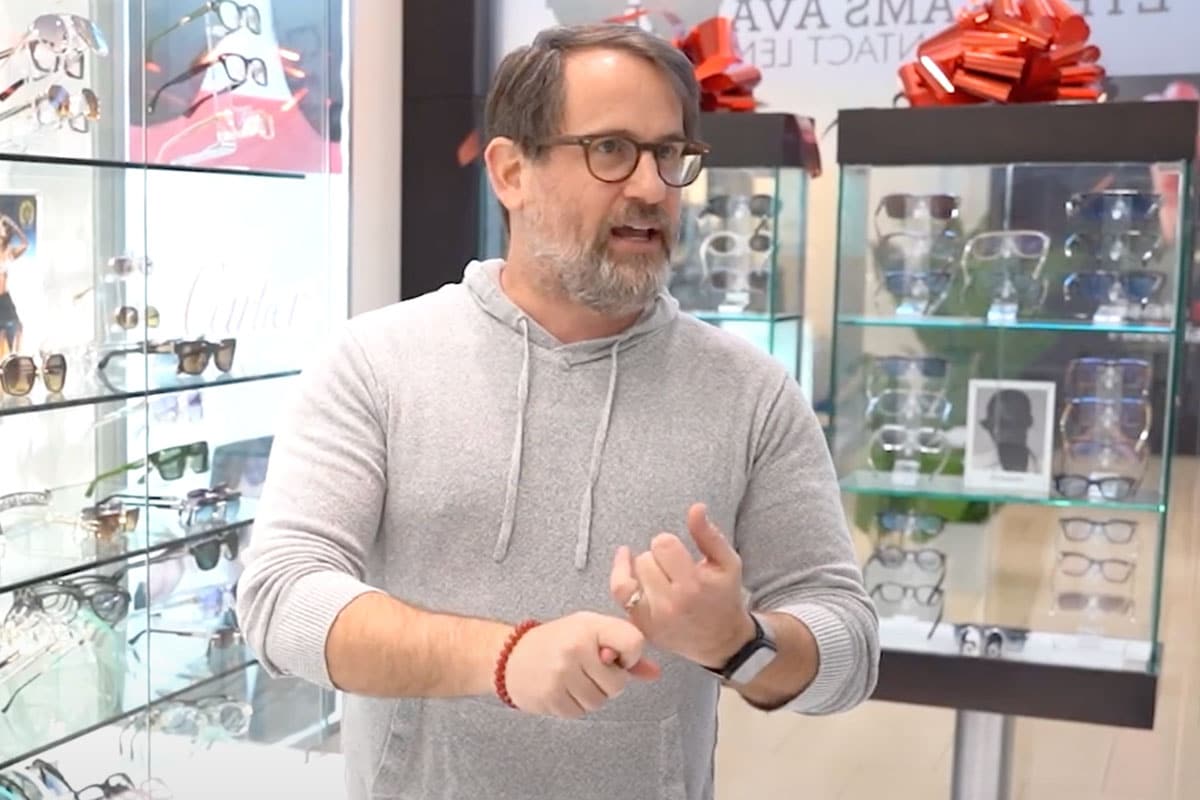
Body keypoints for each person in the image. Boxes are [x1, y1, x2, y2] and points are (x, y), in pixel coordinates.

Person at [237, 23, 879, 800]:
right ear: (511, 171)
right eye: (611, 150)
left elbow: (848, 649)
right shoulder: (375, 362)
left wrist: (740, 642)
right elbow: (282, 604)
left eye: (669, 155)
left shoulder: (751, 392)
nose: (650, 186)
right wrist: (504, 658)